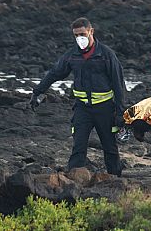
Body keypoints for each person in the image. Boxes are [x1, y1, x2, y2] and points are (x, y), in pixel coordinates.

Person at [30, 17, 126, 176]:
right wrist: (38, 91)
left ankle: (115, 179)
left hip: (105, 109)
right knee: (78, 146)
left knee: (110, 147)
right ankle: (74, 180)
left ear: (91, 32)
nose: (79, 38)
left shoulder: (107, 55)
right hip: (83, 109)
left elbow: (119, 84)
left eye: (82, 33)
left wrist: (121, 112)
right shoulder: (72, 55)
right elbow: (55, 73)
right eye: (76, 35)